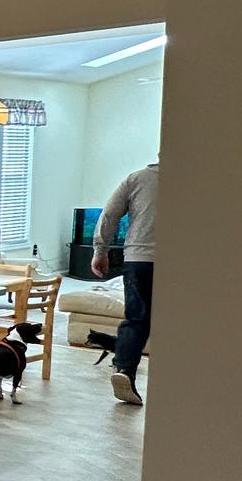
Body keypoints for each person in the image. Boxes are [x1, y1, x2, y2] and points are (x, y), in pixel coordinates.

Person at [92, 160, 159, 406]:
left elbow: (109, 215)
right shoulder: (194, 178)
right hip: (181, 263)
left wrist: (100, 250)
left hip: (139, 259)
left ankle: (124, 370)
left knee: (137, 319)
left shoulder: (137, 178)